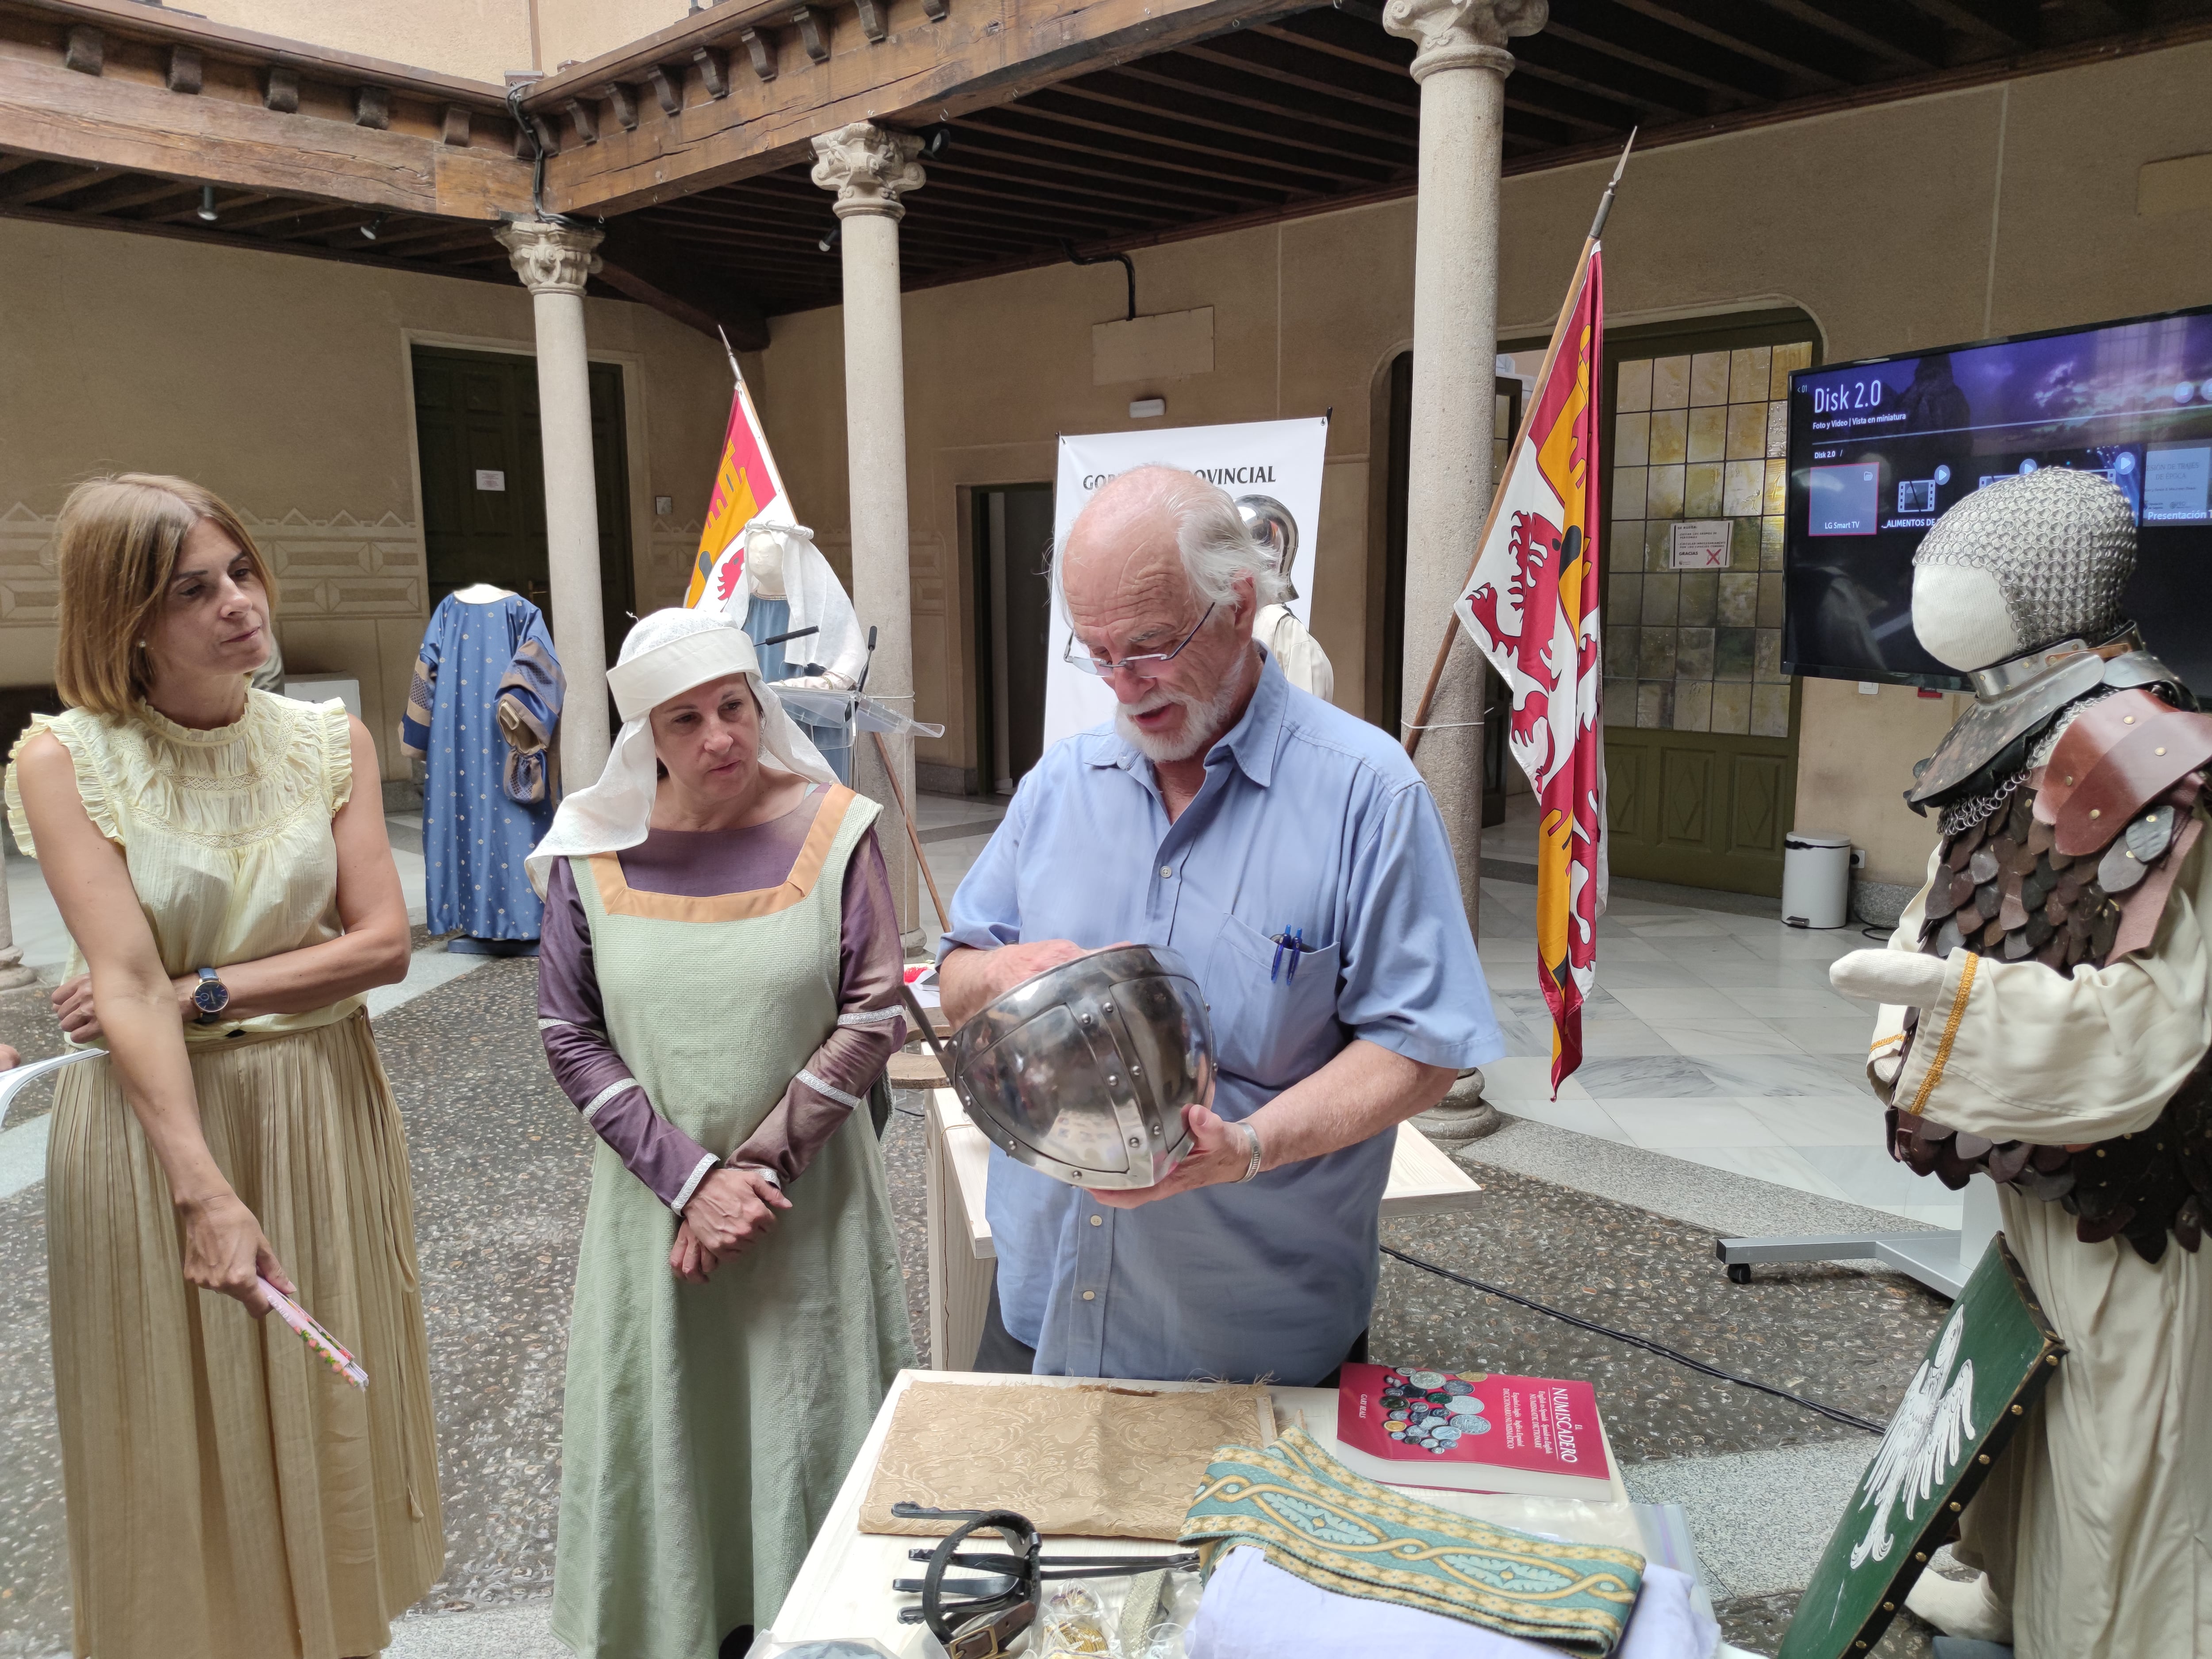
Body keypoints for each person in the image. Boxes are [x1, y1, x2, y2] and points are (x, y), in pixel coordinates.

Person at [3, 474, 444, 1658]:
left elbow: (385, 944)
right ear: (127, 618)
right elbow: (129, 983)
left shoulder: (322, 740)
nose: (240, 604)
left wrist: (193, 985)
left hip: (314, 1099)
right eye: (194, 589)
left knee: (319, 1397)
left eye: (241, 571)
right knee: (171, 1420)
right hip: (158, 1134)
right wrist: (202, 1187)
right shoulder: (66, 758)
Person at [937, 465, 1502, 1386]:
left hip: (1248, 1344)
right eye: (1099, 653)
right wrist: (1007, 975)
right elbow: (959, 966)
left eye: (1152, 646)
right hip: (1040, 1315)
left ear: (1240, 604)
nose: (1126, 685)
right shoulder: (1060, 785)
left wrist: (1250, 1147)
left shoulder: (1366, 793)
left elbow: (1421, 1047)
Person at [1829, 467, 2211, 1657]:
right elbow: (1960, 900)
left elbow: (2160, 1025)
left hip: (2138, 1202)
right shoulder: (2015, 734)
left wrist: (1955, 1009)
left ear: (2041, 592)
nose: (1927, 587)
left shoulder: (2160, 765)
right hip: (2037, 1173)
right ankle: (2006, 1586)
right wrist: (1917, 1002)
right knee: (2027, 1403)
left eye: (1964, 566)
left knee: (2117, 1463)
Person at [529, 607, 915, 1659]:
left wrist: (748, 1173)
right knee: (679, 1442)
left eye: (735, 708)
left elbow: (872, 1013)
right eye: (685, 719)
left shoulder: (840, 828)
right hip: (657, 1218)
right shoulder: (592, 849)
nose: (719, 739)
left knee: (807, 1433)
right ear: (644, 735)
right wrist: (689, 1180)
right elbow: (569, 1031)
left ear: (762, 703)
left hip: (808, 1210)